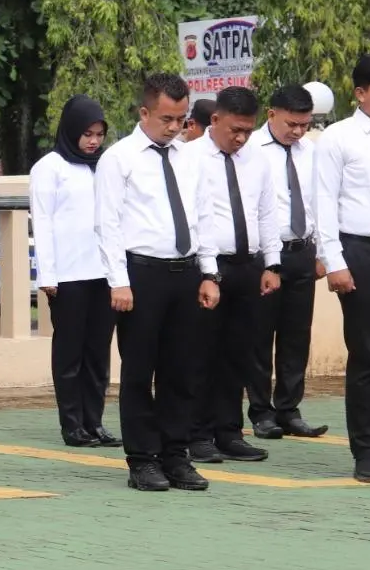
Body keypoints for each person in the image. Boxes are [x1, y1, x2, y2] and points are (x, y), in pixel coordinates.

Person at [94, 73, 218, 493]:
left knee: (181, 370)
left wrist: (208, 272)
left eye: (182, 119)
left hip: (185, 273)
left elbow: (203, 218)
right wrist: (118, 281)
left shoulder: (189, 158)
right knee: (139, 370)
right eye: (166, 118)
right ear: (144, 112)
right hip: (141, 273)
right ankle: (142, 459)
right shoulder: (120, 158)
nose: (174, 127)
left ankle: (175, 454)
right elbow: (106, 223)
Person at [181, 85, 278, 464]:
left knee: (239, 354)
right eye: (234, 130)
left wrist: (272, 263)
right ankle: (197, 434)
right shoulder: (189, 157)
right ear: (215, 120)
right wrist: (207, 271)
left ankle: (229, 431)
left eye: (247, 131)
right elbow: (191, 218)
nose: (240, 138)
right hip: (208, 267)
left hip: (248, 265)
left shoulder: (256, 159)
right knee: (200, 353)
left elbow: (267, 213)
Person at [29, 95, 118, 448]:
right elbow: (43, 223)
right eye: (86, 134)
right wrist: (47, 276)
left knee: (98, 352)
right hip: (67, 276)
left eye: (98, 134)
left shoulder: (106, 165)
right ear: (70, 131)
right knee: (70, 353)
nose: (93, 141)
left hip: (104, 274)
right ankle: (72, 425)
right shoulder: (49, 168)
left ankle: (95, 422)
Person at [314, 53, 370, 482]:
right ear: (361, 93)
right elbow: (323, 204)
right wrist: (335, 262)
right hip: (361, 253)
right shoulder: (338, 138)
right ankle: (369, 452)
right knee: (369, 354)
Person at [247, 84, 325, 439]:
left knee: (297, 335)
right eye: (291, 124)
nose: (297, 132)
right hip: (266, 255)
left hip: (302, 251)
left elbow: (318, 204)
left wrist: (322, 253)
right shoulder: (250, 149)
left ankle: (289, 409)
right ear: (272, 114)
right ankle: (261, 411)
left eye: (304, 125)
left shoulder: (311, 151)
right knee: (260, 334)